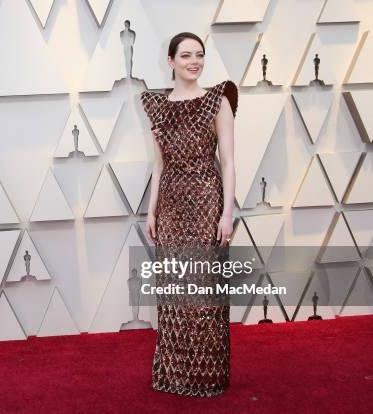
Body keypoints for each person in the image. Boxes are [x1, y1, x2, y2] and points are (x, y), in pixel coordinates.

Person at [140, 32, 237, 397]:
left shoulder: (217, 101)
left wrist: (227, 214)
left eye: (199, 54)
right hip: (170, 205)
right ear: (171, 62)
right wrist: (151, 211)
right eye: (185, 55)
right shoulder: (158, 106)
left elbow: (227, 163)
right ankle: (176, 374)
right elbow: (159, 164)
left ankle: (207, 374)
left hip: (207, 199)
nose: (194, 61)